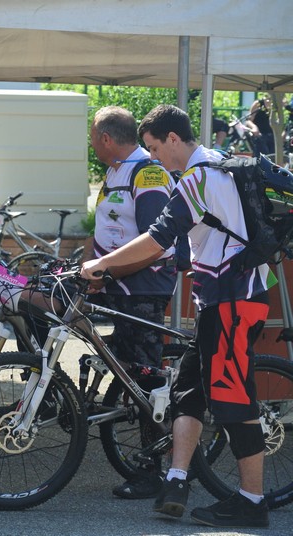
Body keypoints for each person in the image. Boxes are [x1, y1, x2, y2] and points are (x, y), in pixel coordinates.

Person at [81, 104, 274, 529]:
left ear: (172, 139)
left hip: (232, 301)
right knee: (187, 391)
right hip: (224, 300)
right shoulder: (218, 165)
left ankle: (252, 501)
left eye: (153, 148)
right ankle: (176, 481)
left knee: (234, 403)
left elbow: (157, 239)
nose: (151, 157)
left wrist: (101, 264)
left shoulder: (198, 178)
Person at [87, 106, 180, 499]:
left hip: (143, 287)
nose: (92, 144)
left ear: (106, 138)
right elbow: (105, 230)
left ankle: (151, 471)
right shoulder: (115, 172)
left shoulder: (148, 172)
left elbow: (155, 244)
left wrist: (107, 272)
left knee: (145, 381)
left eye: (93, 137)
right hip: (118, 284)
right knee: (127, 371)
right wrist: (84, 267)